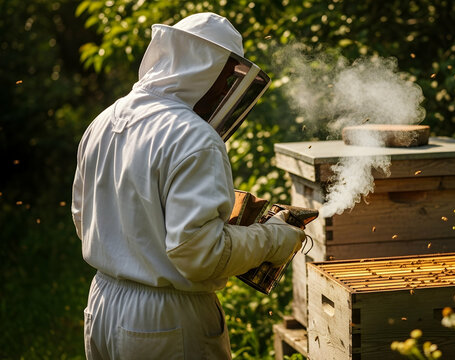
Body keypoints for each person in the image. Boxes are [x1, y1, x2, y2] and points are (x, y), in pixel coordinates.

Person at [71, 13, 305, 359]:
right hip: (167, 323)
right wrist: (272, 239)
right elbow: (199, 255)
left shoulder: (106, 119)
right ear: (208, 70)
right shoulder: (194, 137)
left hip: (103, 304)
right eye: (228, 78)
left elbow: (82, 217)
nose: (227, 90)